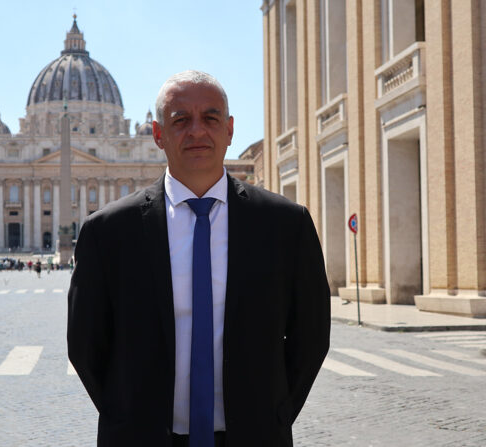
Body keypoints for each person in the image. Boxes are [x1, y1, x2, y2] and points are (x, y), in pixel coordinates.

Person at [68, 70, 330, 447]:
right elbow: (85, 345)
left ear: (229, 129)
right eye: (180, 120)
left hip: (254, 435)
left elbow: (311, 335)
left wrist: (273, 412)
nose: (196, 131)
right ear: (158, 134)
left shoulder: (286, 224)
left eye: (210, 118)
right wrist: (127, 415)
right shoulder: (107, 232)